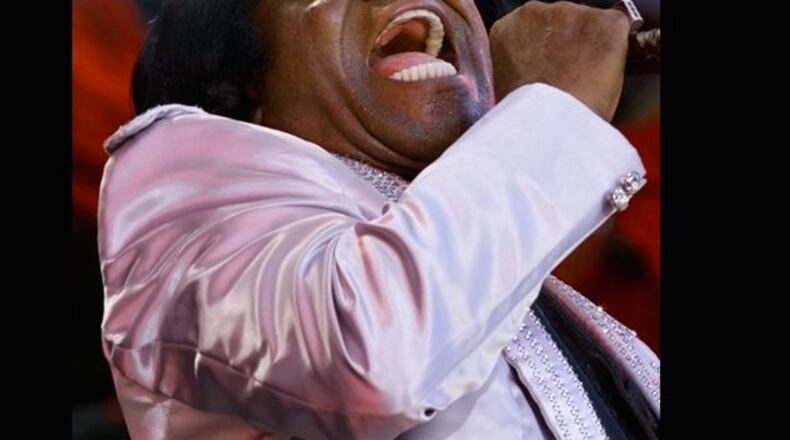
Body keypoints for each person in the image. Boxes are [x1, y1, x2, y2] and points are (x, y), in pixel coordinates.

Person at [98, 0, 660, 438]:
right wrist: (553, 107)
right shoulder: (178, 175)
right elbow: (365, 356)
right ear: (243, 77)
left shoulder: (482, 251)